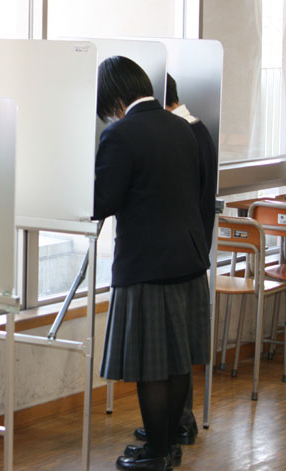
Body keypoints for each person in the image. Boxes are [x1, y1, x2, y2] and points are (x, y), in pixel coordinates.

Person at [94, 56, 210, 471]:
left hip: (147, 265)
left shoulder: (120, 134)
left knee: (150, 365)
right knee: (178, 361)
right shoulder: (183, 127)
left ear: (114, 99)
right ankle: (169, 445)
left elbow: (102, 201)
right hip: (189, 260)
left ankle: (156, 454)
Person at [132, 73, 218, 448]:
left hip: (179, 253)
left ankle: (176, 423)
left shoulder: (186, 133)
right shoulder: (196, 130)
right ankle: (174, 423)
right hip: (192, 249)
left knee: (174, 350)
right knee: (178, 347)